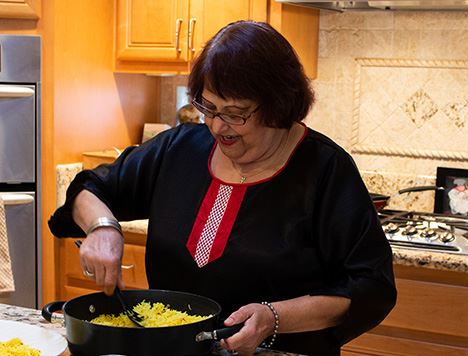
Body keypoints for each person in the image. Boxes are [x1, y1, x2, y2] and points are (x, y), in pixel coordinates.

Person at [49, 20, 396, 356]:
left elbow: (369, 287)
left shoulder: (325, 169)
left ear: (278, 105)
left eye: (236, 113)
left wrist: (273, 319)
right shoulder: (179, 149)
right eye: (208, 107)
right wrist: (103, 228)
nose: (217, 125)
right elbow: (89, 188)